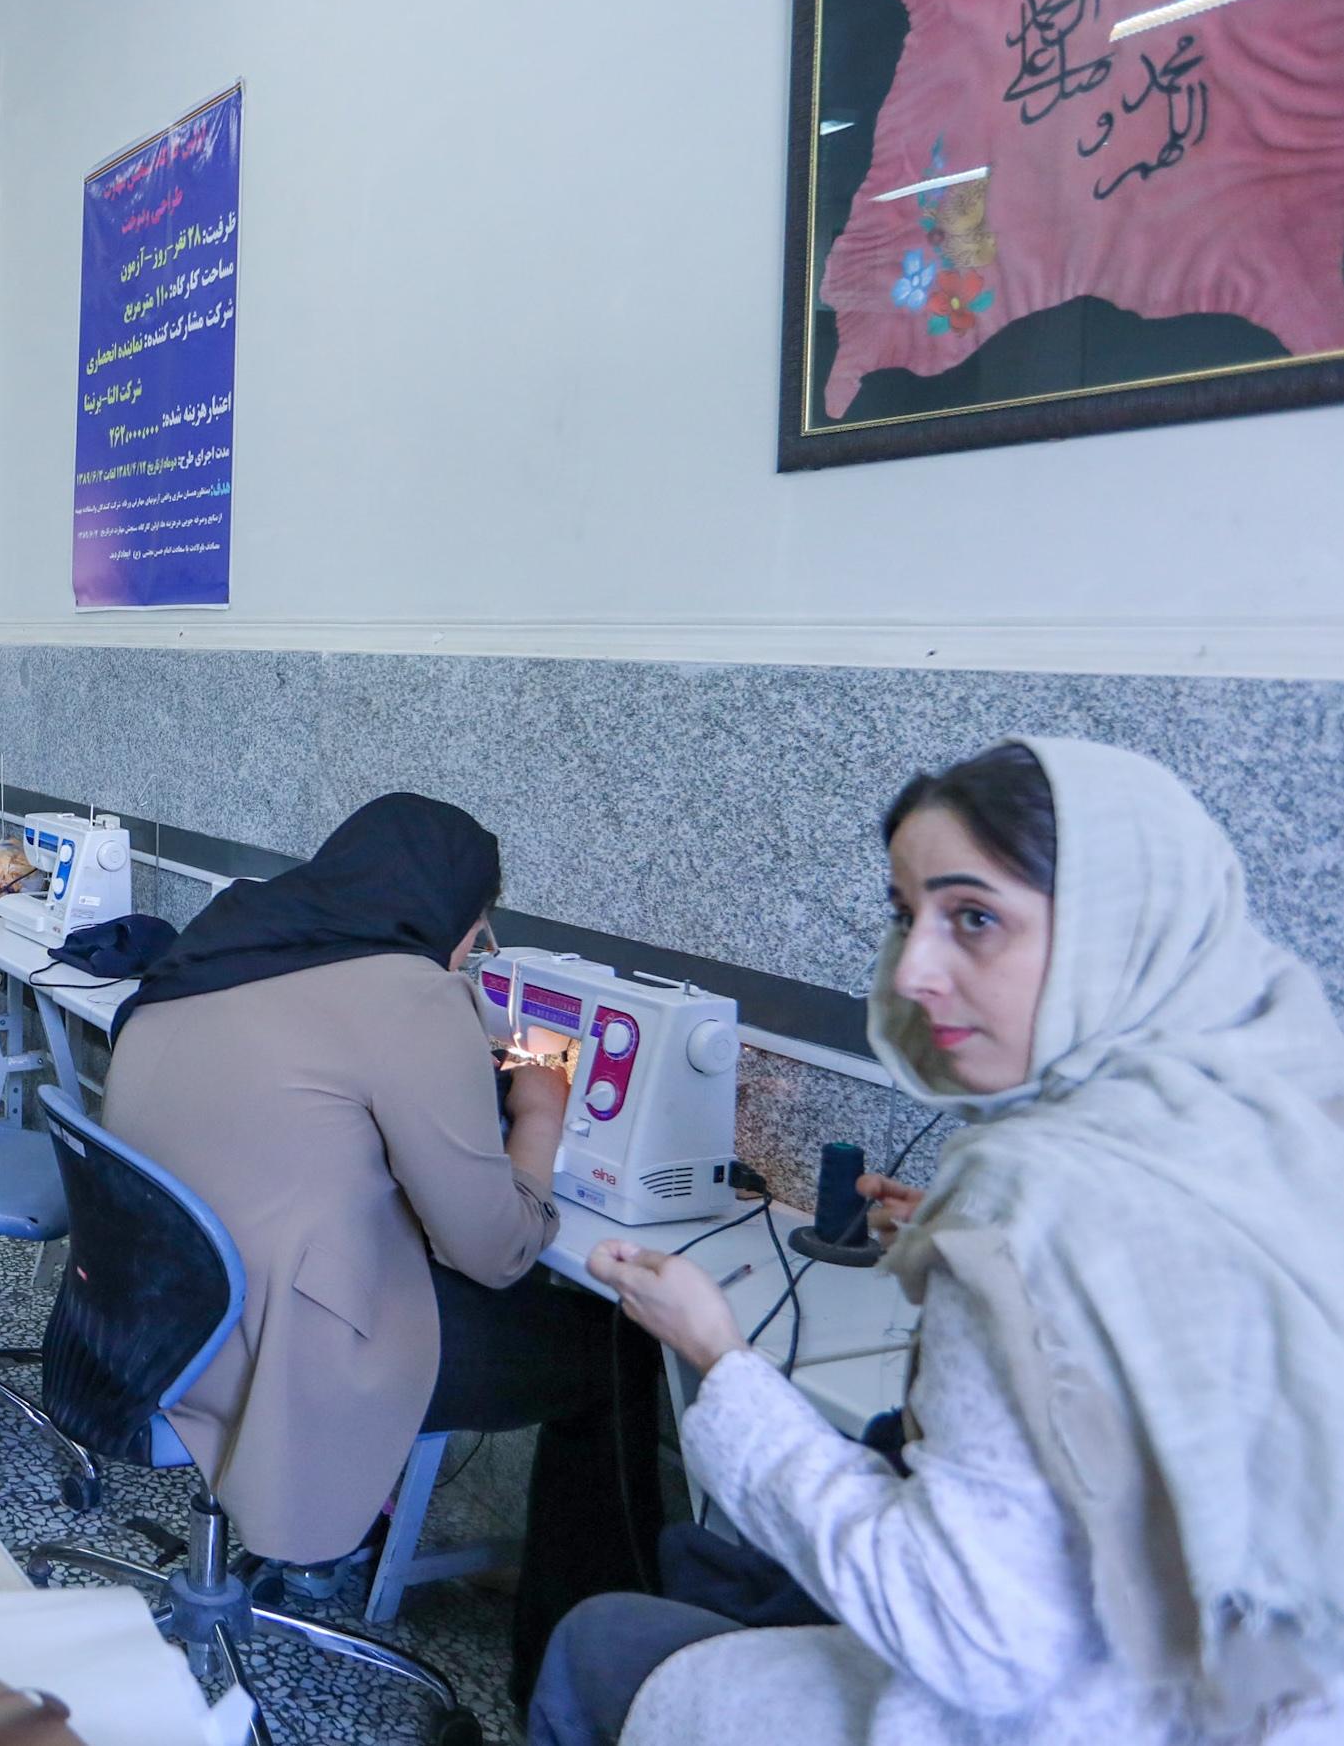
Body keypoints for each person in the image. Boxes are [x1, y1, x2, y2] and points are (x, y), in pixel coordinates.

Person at [532, 740, 1344, 1746]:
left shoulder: (1036, 1198)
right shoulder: (1281, 1130)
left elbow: (973, 1635)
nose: (912, 973)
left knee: (605, 1640)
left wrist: (718, 1356)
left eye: (973, 919)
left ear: (1118, 929)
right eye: (904, 915)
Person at [102, 792, 664, 1703]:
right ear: (449, 914)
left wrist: (465, 1057)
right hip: (278, 1352)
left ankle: (365, 1519)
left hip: (147, 1320)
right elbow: (495, 1250)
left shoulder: (226, 947)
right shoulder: (408, 994)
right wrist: (540, 1114)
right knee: (610, 1352)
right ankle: (576, 1665)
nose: (471, 955)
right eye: (477, 934)